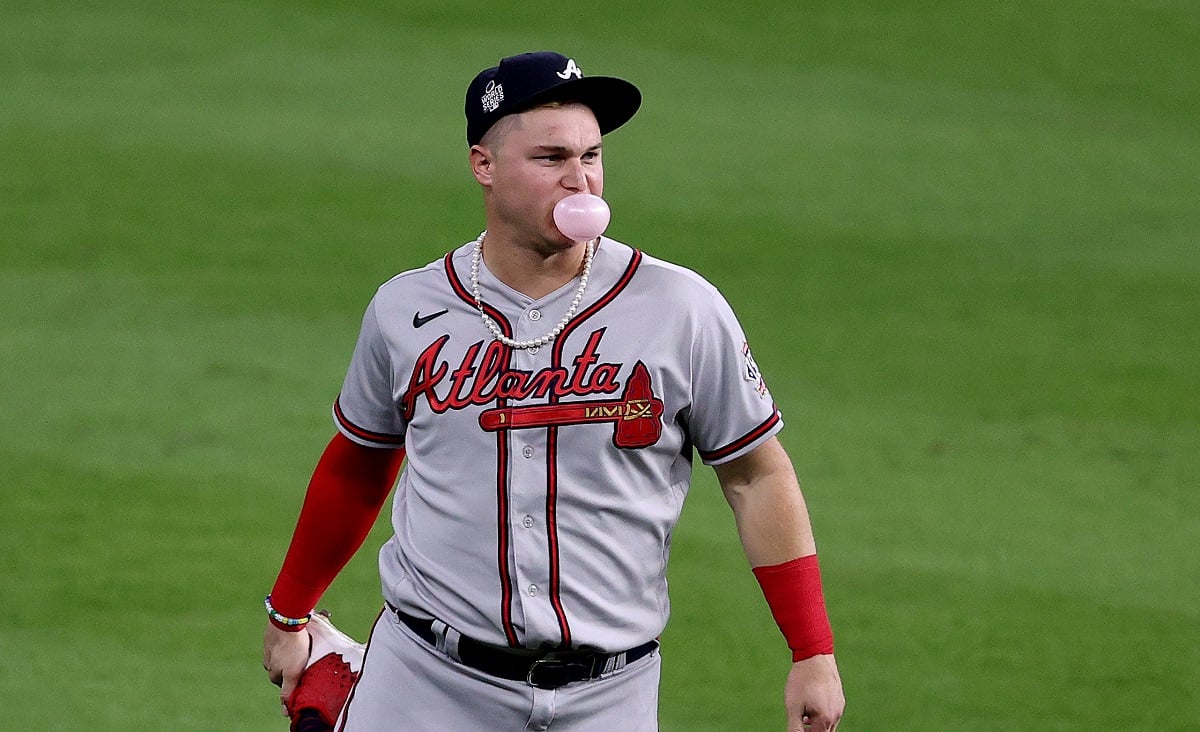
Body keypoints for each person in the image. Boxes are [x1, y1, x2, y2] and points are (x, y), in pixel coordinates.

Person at [262, 50, 845, 731]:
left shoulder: (680, 308)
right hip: (425, 682)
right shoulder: (406, 310)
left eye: (592, 156)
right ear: (484, 165)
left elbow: (756, 476)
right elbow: (359, 465)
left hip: (608, 695)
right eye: (551, 159)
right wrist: (289, 612)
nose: (581, 181)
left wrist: (813, 650)